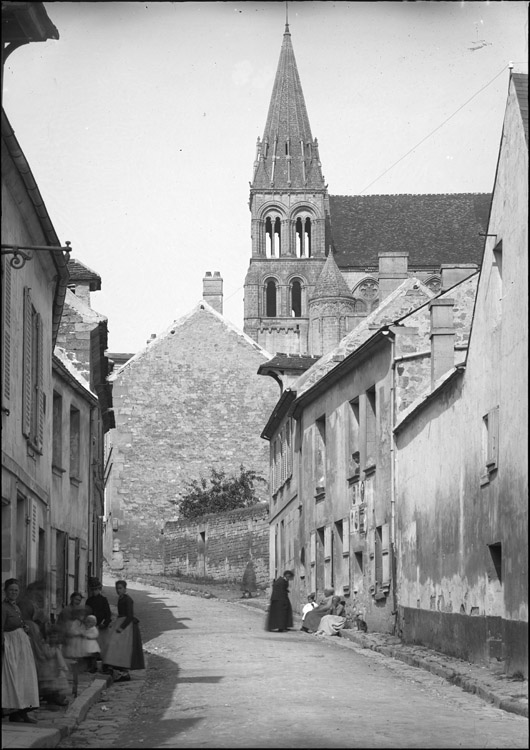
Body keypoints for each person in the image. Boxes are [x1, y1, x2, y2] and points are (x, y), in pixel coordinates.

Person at [1, 578, 40, 723]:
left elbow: (19, 622)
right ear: (5, 591)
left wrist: (24, 628)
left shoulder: (16, 607)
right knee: (13, 678)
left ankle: (22, 710)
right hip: (10, 645)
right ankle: (13, 710)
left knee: (24, 678)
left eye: (16, 590)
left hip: (21, 646)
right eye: (11, 590)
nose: (14, 593)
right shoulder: (3, 607)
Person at [101, 580, 145, 683]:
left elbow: (129, 616)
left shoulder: (128, 600)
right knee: (114, 645)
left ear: (125, 589)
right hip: (120, 621)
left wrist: (122, 627)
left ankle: (125, 673)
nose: (118, 590)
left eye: (120, 588)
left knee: (123, 648)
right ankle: (114, 668)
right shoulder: (120, 599)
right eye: (117, 588)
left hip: (127, 626)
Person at [35, 626, 70, 707]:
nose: (53, 639)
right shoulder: (46, 646)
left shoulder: (58, 646)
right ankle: (51, 699)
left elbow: (60, 657)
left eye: (55, 637)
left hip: (56, 667)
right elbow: (49, 655)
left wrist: (63, 666)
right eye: (52, 637)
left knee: (56, 686)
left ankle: (55, 698)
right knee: (50, 685)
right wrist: (53, 648)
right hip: (48, 668)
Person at [85, 578, 112, 665]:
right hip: (92, 627)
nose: (94, 592)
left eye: (96, 589)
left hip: (102, 627)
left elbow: (108, 614)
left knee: (102, 647)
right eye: (92, 590)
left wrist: (104, 623)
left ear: (99, 589)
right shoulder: (89, 601)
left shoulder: (103, 600)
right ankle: (93, 665)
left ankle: (105, 665)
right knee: (92, 647)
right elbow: (87, 613)